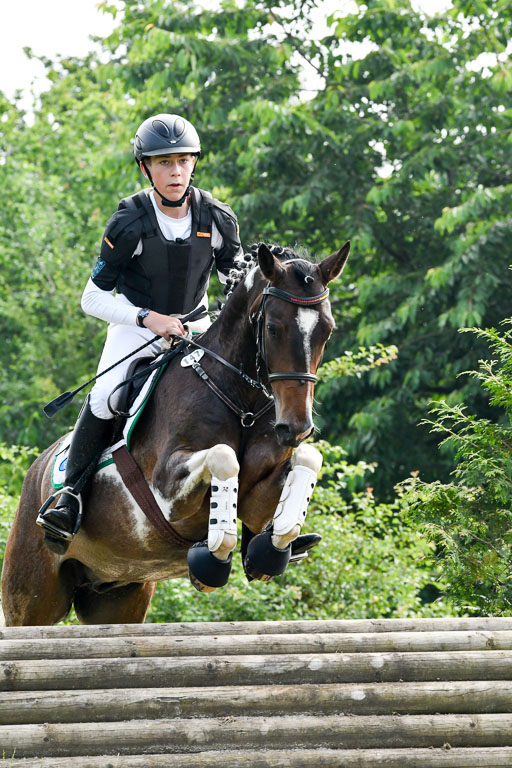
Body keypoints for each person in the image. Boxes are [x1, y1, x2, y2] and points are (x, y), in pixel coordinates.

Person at [37, 113, 243, 554]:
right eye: (163, 162)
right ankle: (69, 494)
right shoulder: (129, 220)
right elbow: (91, 299)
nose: (175, 172)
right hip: (137, 328)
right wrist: (148, 318)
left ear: (193, 164)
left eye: (183, 161)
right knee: (107, 395)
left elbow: (236, 288)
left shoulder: (219, 218)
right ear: (146, 167)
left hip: (196, 325)